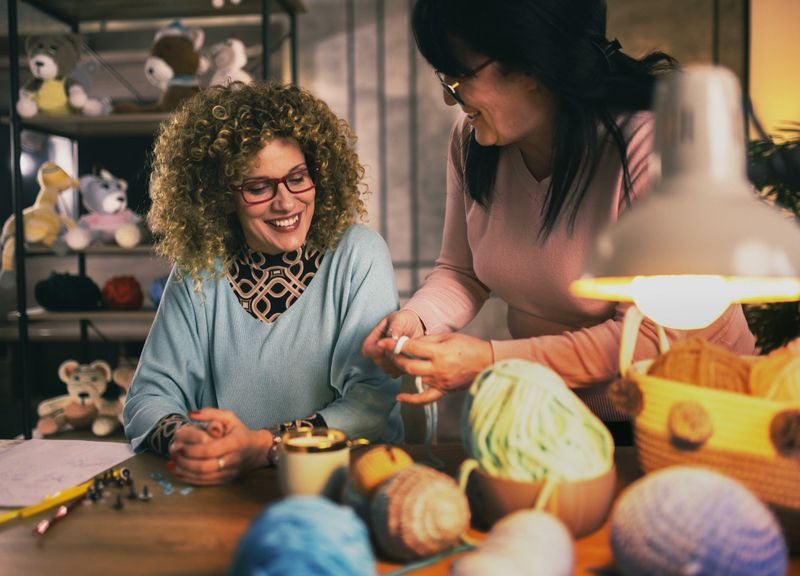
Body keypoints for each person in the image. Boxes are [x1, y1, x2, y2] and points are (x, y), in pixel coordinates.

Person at [362, 0, 755, 424]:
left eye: (457, 77)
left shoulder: (651, 148)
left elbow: (650, 336)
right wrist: (417, 320)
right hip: (557, 408)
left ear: (531, 66)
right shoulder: (472, 142)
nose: (446, 97)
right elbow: (462, 271)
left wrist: (489, 360)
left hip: (690, 416)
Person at [124, 82, 403, 485]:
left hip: (348, 484)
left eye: (297, 177)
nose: (286, 202)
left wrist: (264, 444)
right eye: (258, 187)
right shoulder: (199, 270)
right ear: (221, 195)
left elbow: (370, 404)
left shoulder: (359, 254)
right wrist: (186, 439)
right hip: (225, 489)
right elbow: (148, 396)